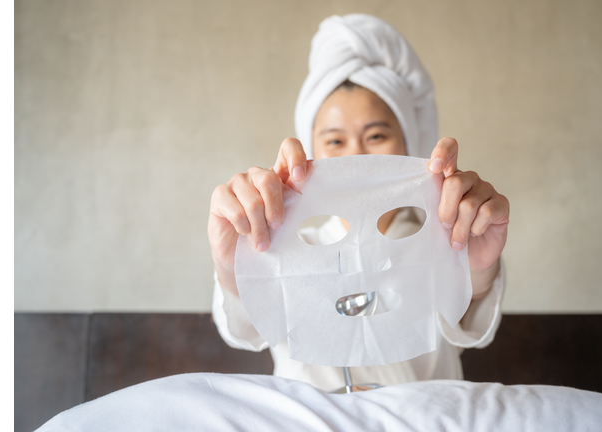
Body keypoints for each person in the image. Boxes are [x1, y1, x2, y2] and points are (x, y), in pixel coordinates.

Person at [207, 14, 510, 392]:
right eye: (335, 141)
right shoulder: (283, 238)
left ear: (409, 142)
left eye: (377, 135)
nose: (355, 156)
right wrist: (232, 261)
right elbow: (249, 328)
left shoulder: (446, 234)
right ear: (311, 148)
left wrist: (475, 269)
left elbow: (469, 327)